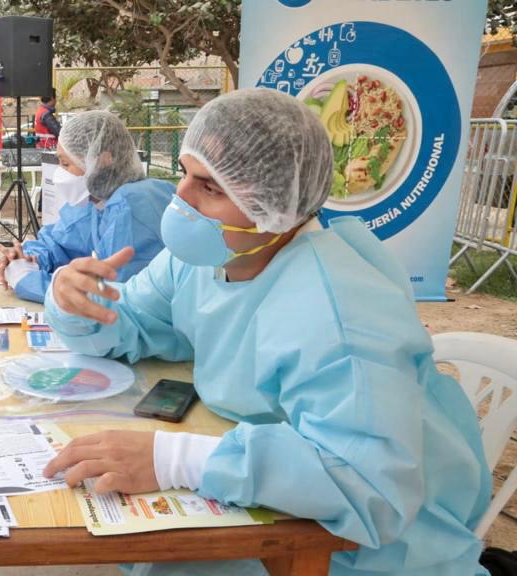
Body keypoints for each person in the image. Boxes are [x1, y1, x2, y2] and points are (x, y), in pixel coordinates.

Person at [42, 89, 491, 576]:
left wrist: (176, 459)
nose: (181, 198)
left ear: (275, 205)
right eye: (185, 173)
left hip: (365, 550)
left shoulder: (340, 308)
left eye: (210, 188)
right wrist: (76, 303)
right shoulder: (210, 255)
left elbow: (370, 484)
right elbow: (130, 321)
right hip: (274, 498)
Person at [0, 110, 171, 304]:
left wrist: (27, 280)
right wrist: (26, 258)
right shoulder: (96, 201)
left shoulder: (131, 207)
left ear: (102, 160)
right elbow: (58, 243)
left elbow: (110, 298)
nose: (60, 173)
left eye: (65, 163)